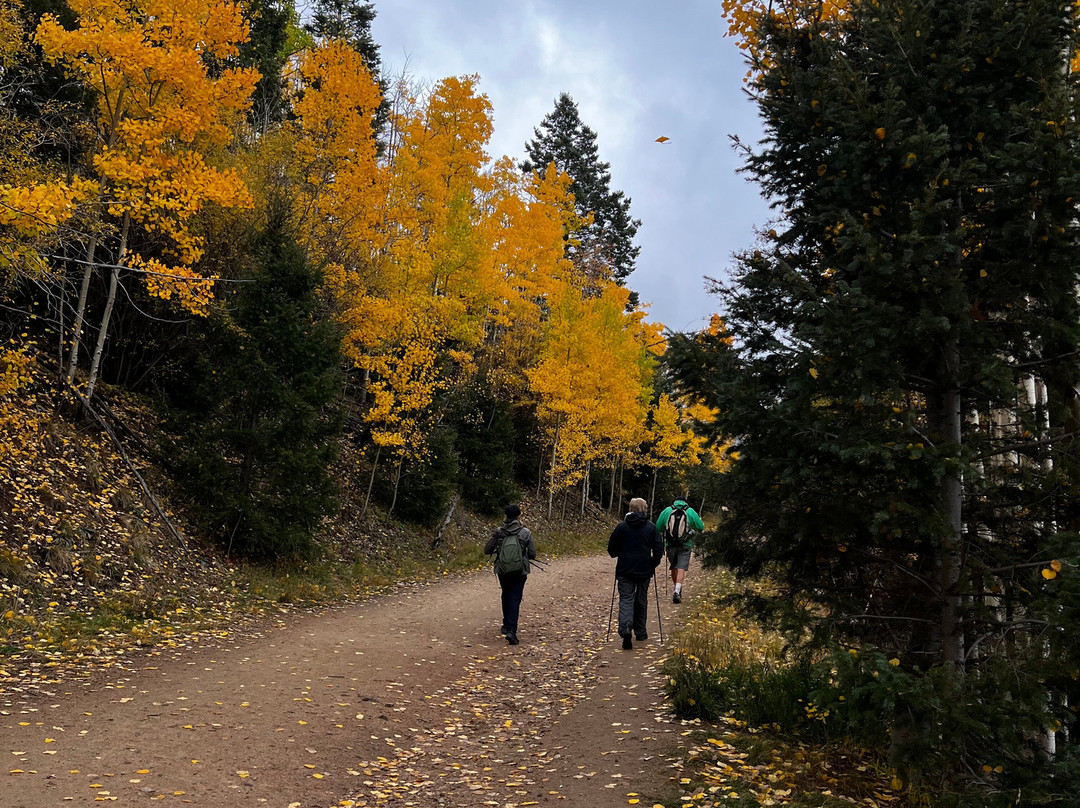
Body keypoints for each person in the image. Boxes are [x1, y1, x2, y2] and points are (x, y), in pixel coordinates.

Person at [607, 497, 664, 650]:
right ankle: (640, 632)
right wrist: (653, 563)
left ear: (630, 509)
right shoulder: (651, 528)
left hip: (625, 569)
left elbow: (612, 550)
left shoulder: (622, 527)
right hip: (644, 569)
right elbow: (659, 550)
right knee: (641, 599)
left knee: (626, 599)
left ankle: (626, 629)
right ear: (644, 509)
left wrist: (621, 552)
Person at [484, 504, 536, 646]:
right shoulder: (525, 532)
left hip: (503, 570)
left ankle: (506, 624)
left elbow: (487, 550)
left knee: (506, 594)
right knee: (515, 597)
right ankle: (512, 630)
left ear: (505, 516)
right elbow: (532, 554)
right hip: (520, 571)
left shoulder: (499, 531)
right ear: (519, 516)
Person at [655, 497, 705, 604]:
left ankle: (677, 588)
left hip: (670, 544)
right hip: (685, 544)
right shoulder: (690, 511)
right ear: (685, 502)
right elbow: (701, 527)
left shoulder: (667, 510)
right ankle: (677, 590)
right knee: (681, 567)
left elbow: (658, 527)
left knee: (674, 566)